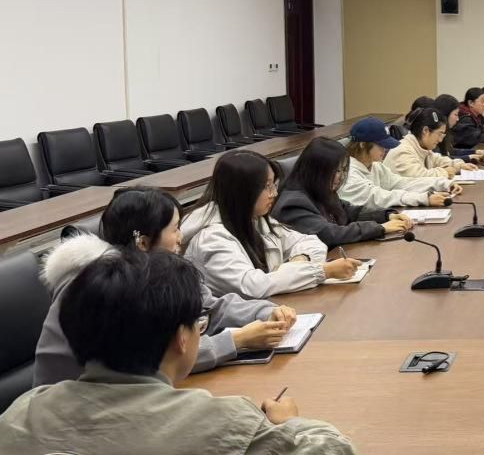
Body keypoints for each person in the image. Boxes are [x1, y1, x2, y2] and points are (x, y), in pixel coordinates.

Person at [1, 250, 356, 454]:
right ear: (181, 339)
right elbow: (334, 450)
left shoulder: (22, 414)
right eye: (198, 324)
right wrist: (290, 423)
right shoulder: (225, 423)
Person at [34, 188, 295, 387]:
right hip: (74, 405)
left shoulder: (159, 271)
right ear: (143, 243)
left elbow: (207, 307)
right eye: (175, 229)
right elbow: (150, 360)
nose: (182, 237)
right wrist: (237, 340)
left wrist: (263, 312)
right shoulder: (101, 287)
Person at [182, 151, 360, 299]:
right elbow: (253, 287)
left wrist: (301, 259)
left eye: (274, 185)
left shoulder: (257, 220)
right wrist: (321, 271)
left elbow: (312, 242)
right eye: (267, 186)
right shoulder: (211, 238)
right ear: (242, 191)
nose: (274, 193)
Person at [272, 136, 417, 247]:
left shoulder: (319, 189)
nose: (340, 176)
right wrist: (379, 228)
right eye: (336, 171)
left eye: (342, 170)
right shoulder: (293, 203)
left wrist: (386, 215)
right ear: (317, 170)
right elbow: (328, 234)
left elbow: (348, 211)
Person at [337, 120, 456, 209]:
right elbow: (379, 197)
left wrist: (442, 183)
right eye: (381, 145)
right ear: (362, 144)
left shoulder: (375, 166)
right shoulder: (347, 174)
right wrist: (423, 198)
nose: (385, 150)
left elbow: (402, 183)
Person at [386, 105, 478, 179]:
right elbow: (419, 177)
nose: (440, 140)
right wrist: (445, 172)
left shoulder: (422, 147)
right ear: (426, 131)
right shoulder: (403, 151)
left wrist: (459, 165)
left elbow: (438, 160)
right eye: (439, 134)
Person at [432, 93, 484, 162]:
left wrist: (475, 152)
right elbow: (441, 160)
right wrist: (468, 158)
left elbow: (450, 151)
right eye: (456, 114)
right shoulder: (434, 135)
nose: (457, 119)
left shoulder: (447, 132)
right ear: (446, 114)